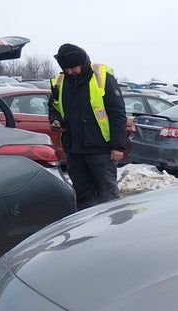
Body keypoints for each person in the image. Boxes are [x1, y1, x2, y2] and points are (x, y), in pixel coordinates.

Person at [48, 43, 127, 210]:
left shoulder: (102, 78)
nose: (69, 72)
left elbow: (117, 113)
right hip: (74, 149)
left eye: (73, 67)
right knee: (83, 196)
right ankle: (89, 232)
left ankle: (114, 230)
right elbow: (54, 107)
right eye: (66, 68)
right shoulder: (60, 82)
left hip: (100, 149)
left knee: (108, 195)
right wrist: (55, 120)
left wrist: (118, 146)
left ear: (82, 62)